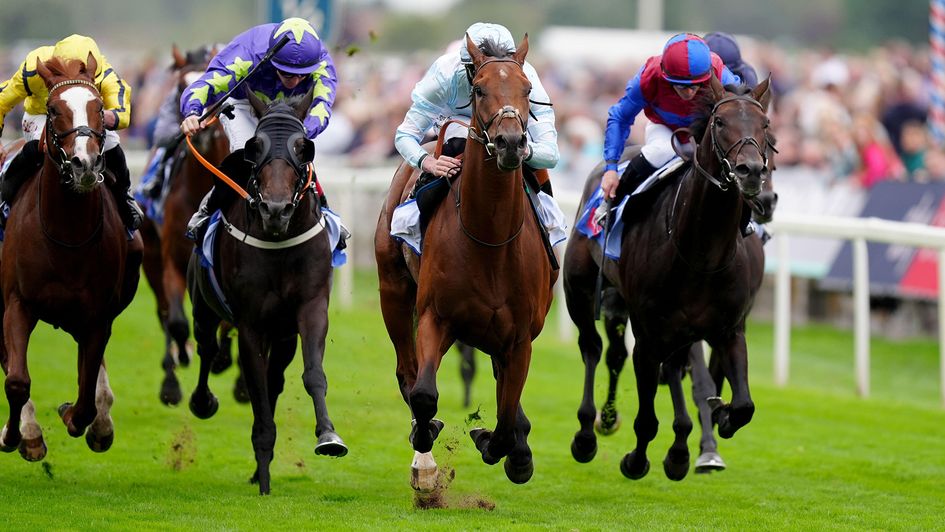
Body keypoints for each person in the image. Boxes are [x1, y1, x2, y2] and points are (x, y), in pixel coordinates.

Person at [180, 17, 337, 240]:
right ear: (273, 61)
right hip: (245, 104)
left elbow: (323, 107)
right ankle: (207, 210)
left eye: (302, 75)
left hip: (288, 111)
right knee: (246, 154)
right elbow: (204, 85)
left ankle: (324, 211)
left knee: (297, 155)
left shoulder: (320, 61)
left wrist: (303, 133)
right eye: (287, 74)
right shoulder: (246, 54)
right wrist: (192, 112)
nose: (295, 80)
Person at [393, 22, 559, 197]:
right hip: (457, 125)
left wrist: (525, 151)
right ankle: (411, 213)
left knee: (553, 218)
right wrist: (427, 162)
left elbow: (551, 155)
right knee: (458, 137)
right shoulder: (444, 74)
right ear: (468, 65)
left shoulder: (526, 79)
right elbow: (405, 135)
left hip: (510, 131)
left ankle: (549, 219)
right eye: (478, 68)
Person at [0, 34, 141, 233]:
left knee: (112, 144)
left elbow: (123, 113)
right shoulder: (33, 68)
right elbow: (1, 100)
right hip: (41, 116)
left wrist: (104, 116)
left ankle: (125, 198)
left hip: (86, 119)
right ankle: (5, 202)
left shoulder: (106, 75)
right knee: (38, 147)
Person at [600, 33, 741, 202]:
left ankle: (750, 221)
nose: (689, 92)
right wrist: (611, 168)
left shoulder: (720, 76)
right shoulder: (649, 77)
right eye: (682, 86)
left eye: (696, 85)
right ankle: (611, 204)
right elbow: (620, 117)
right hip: (663, 128)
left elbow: (743, 112)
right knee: (662, 151)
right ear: (665, 75)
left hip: (705, 134)